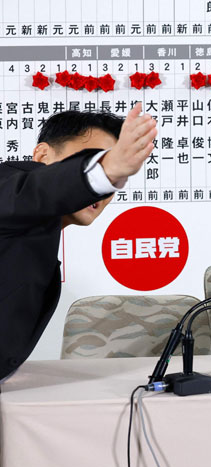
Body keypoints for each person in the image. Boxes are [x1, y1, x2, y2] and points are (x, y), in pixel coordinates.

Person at [0, 104, 157, 380]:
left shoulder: (41, 233)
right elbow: (29, 192)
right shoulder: (8, 185)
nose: (105, 191)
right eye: (89, 160)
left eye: (117, 178)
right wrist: (106, 169)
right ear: (42, 155)